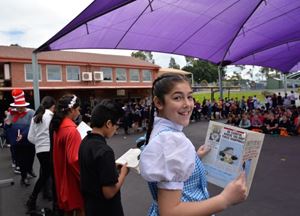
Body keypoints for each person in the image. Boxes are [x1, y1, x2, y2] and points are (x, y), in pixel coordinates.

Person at [140, 74, 247, 216]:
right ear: (158, 102)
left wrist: (195, 157)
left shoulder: (161, 131)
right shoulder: (172, 141)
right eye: (177, 97)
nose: (188, 104)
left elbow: (168, 169)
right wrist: (225, 199)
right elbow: (170, 212)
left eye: (189, 97)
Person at [79, 100, 129, 216]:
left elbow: (93, 170)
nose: (116, 128)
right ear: (108, 123)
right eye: (117, 124)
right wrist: (123, 173)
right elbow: (109, 192)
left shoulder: (85, 142)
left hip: (91, 207)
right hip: (106, 210)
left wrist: (112, 167)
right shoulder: (105, 151)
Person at [50, 95, 84, 216]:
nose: (79, 112)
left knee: (68, 211)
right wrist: (86, 177)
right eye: (78, 109)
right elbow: (74, 159)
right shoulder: (72, 130)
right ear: (71, 110)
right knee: (81, 208)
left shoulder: (58, 127)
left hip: (62, 176)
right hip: (72, 178)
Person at [26, 96, 56, 212]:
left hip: (40, 151)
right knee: (49, 175)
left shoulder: (35, 118)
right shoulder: (51, 117)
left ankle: (33, 199)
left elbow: (30, 137)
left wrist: (39, 143)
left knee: (44, 175)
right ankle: (35, 199)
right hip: (49, 150)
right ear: (53, 106)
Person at [6, 89, 36, 186]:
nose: (19, 109)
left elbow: (33, 126)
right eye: (17, 107)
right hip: (18, 143)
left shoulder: (31, 113)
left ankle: (30, 169)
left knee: (30, 158)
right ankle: (24, 177)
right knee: (21, 160)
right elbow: (7, 126)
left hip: (29, 140)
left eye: (21, 107)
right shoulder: (12, 114)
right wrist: (8, 124)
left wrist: (23, 134)